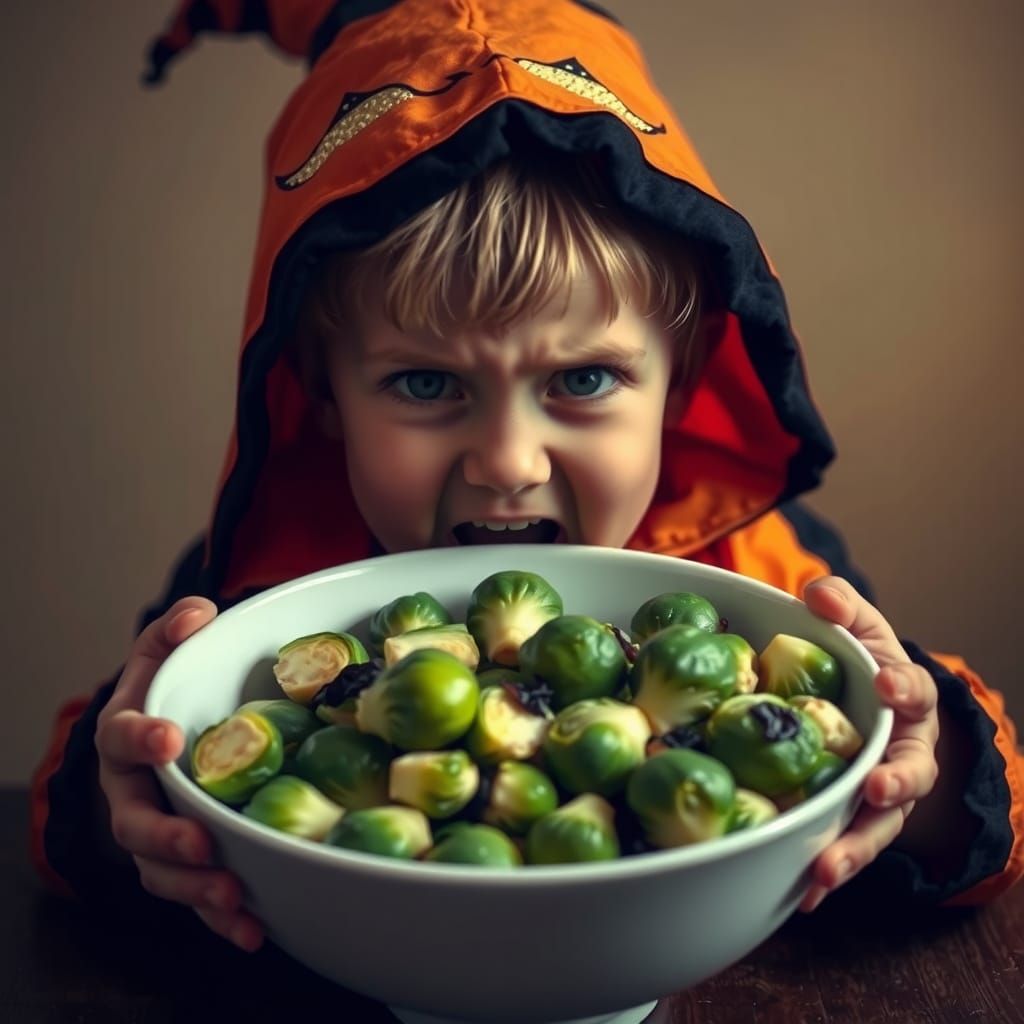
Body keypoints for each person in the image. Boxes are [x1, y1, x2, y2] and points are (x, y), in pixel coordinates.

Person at [31, 0, 1022, 959]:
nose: (507, 462)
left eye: (582, 380)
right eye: (426, 384)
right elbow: (68, 839)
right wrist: (128, 806)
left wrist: (918, 774)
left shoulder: (769, 576)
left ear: (680, 385)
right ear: (322, 394)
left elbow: (989, 836)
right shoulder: (250, 593)